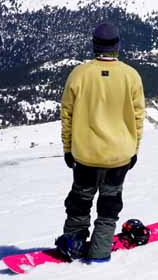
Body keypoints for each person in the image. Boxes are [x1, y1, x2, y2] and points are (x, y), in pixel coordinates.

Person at [55, 22, 145, 263]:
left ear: (94, 45)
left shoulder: (79, 74)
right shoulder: (131, 75)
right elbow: (138, 118)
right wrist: (134, 150)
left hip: (85, 155)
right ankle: (99, 252)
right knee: (109, 205)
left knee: (80, 203)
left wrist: (67, 149)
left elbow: (67, 116)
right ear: (117, 45)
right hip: (119, 156)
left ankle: (73, 244)